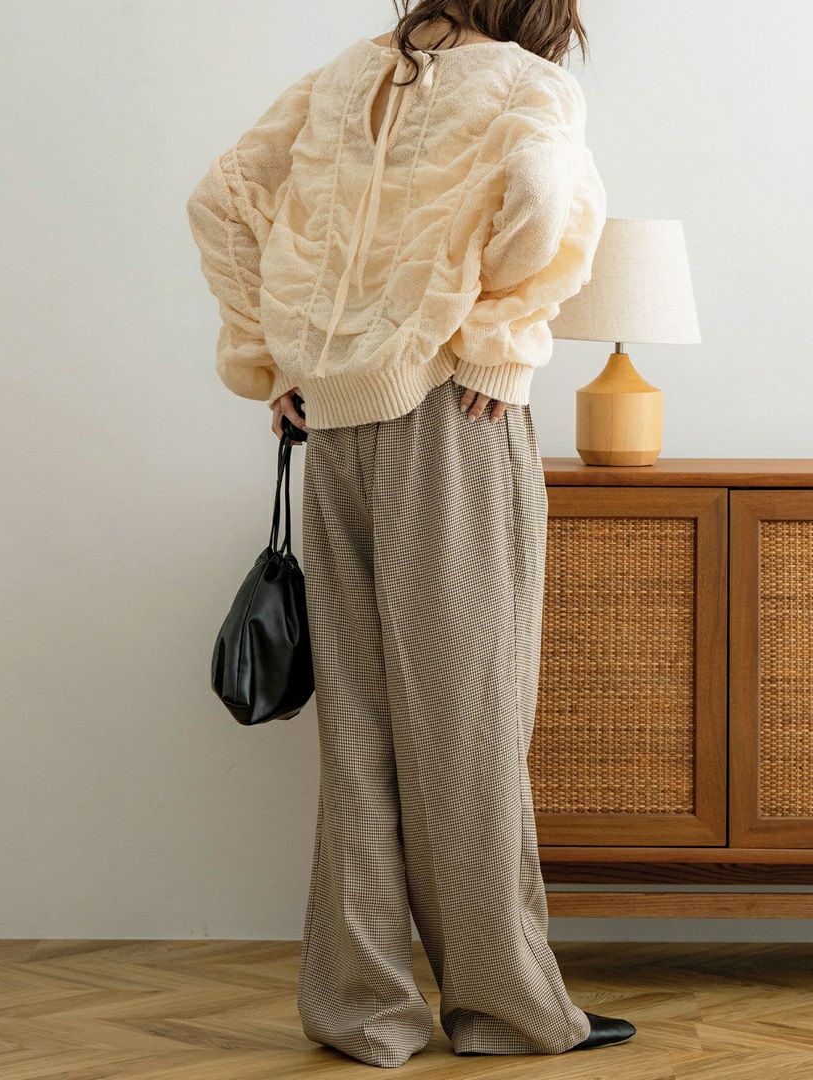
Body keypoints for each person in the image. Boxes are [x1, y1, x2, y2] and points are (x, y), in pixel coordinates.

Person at [187, 0, 635, 1067]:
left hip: (336, 427)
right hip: (449, 421)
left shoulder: (347, 74)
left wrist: (276, 359)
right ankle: (504, 1010)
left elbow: (221, 198)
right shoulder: (526, 85)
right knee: (469, 723)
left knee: (360, 731)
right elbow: (545, 194)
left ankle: (365, 1012)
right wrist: (497, 340)